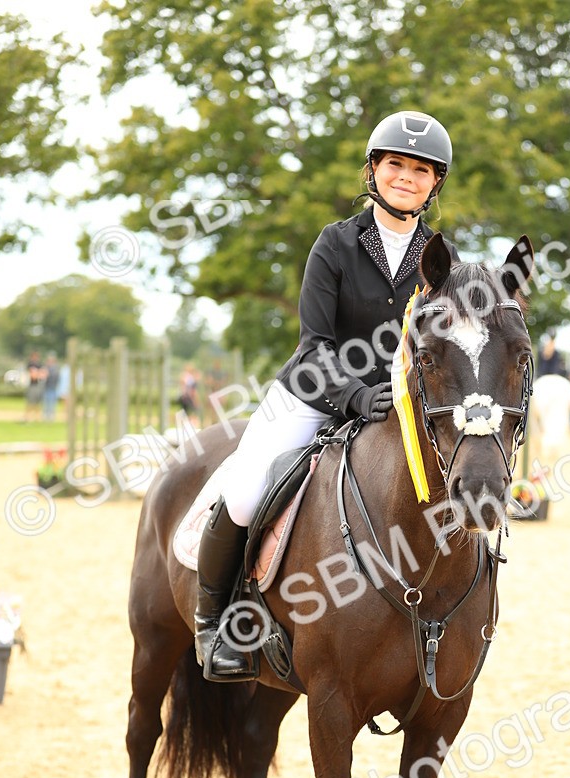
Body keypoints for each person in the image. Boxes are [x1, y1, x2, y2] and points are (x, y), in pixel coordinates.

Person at [194, 110, 457, 678]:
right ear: (373, 170)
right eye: (395, 164)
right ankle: (214, 624)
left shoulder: (442, 258)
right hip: (313, 394)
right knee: (246, 494)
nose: (406, 177)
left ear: (435, 182)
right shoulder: (335, 244)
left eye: (420, 169)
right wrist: (357, 397)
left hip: (399, 408)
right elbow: (315, 344)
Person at [24, 351, 46, 422]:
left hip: (38, 384)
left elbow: (42, 374)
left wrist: (37, 374)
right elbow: (31, 375)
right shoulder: (30, 364)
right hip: (32, 385)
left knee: (37, 402)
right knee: (30, 401)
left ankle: (37, 417)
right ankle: (27, 416)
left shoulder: (40, 364)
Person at [43, 354, 60, 421]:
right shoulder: (47, 368)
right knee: (46, 403)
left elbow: (55, 378)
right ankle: (46, 416)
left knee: (52, 403)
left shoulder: (55, 369)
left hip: (52, 388)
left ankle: (51, 416)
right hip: (47, 388)